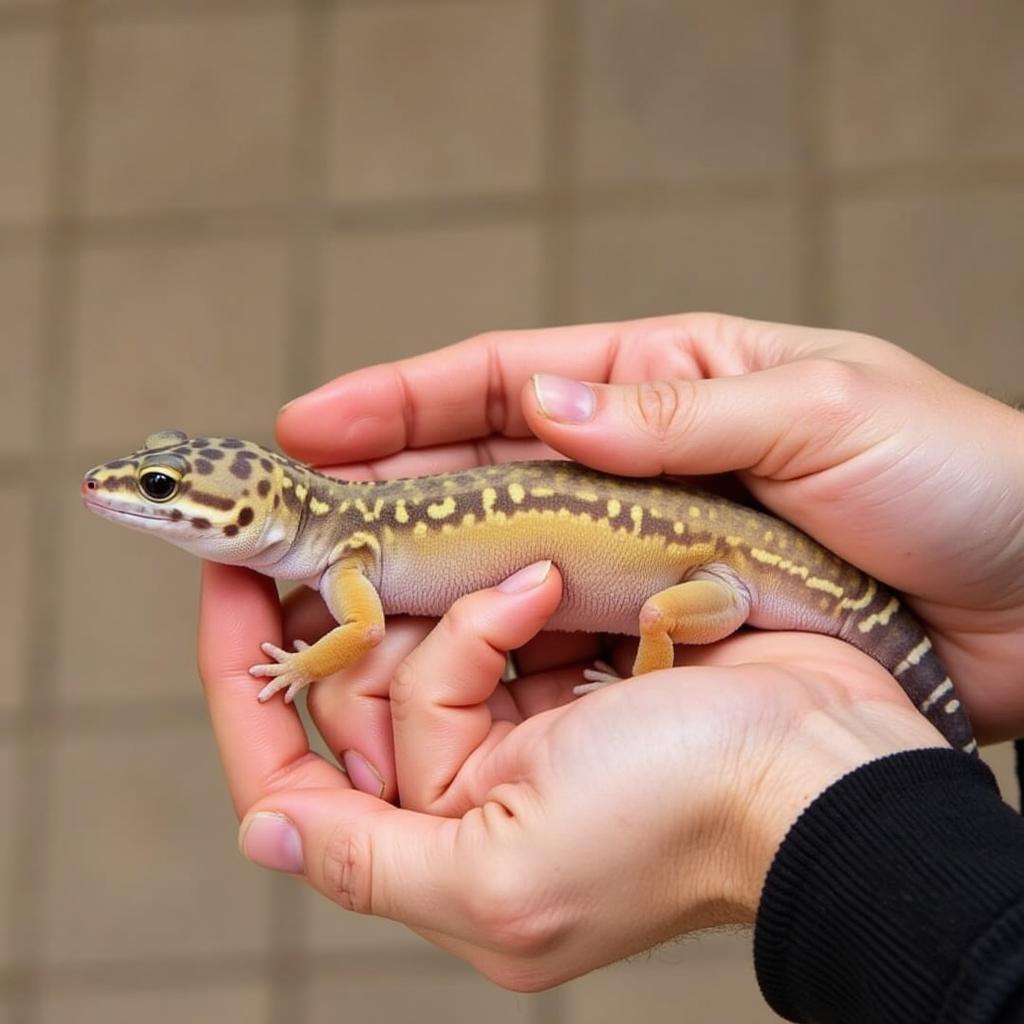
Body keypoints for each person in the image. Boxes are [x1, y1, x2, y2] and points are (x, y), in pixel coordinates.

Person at [197, 313, 1024, 1022]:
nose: (136, 498)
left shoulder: (353, 555)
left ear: (258, 508)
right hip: (743, 561)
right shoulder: (354, 536)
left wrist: (304, 667)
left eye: (164, 489)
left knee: (661, 615)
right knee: (659, 610)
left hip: (735, 572)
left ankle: (649, 681)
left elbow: (361, 631)